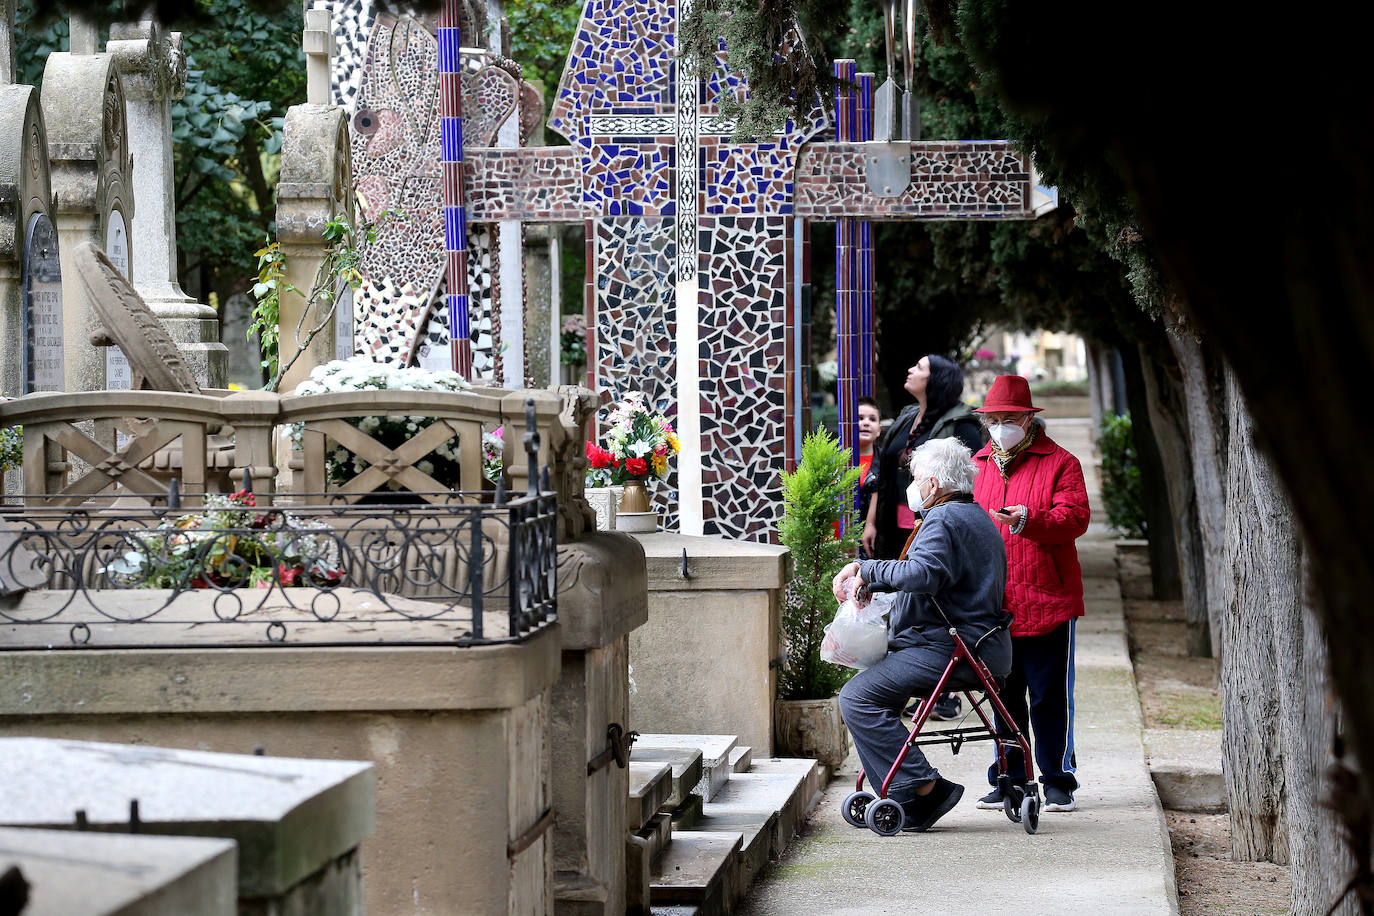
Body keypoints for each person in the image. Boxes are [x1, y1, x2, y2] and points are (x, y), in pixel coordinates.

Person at [832, 437, 1010, 832]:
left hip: (951, 649)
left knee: (857, 697)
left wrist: (868, 571)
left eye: (915, 479)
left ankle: (925, 787)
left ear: (931, 484)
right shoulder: (973, 516)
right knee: (871, 693)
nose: (912, 487)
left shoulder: (946, 519)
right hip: (969, 645)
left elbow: (922, 574)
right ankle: (911, 789)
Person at [969, 374, 1091, 813]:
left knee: (1048, 696)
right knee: (1002, 697)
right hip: (994, 607)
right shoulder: (977, 465)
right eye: (993, 419)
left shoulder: (1061, 462)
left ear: (1028, 419)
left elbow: (1074, 518)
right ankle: (1009, 778)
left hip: (1048, 600)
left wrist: (1028, 518)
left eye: (1009, 418)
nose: (1000, 425)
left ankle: (1058, 779)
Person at [862, 355, 983, 720]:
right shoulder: (905, 416)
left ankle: (942, 691)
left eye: (920, 367)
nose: (910, 370)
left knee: (928, 592)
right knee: (902, 594)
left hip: (937, 524)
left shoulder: (960, 423)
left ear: (938, 380)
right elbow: (883, 470)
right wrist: (872, 521)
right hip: (897, 521)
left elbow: (966, 477)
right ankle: (910, 680)